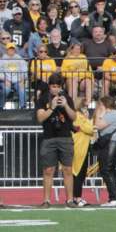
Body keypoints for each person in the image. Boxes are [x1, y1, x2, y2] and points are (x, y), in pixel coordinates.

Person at [35, 74, 77, 208]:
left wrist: (65, 106)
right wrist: (52, 107)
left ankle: (70, 200)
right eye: (53, 86)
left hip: (65, 137)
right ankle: (46, 200)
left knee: (68, 169)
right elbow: (40, 118)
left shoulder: (67, 98)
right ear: (49, 86)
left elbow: (74, 117)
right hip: (49, 138)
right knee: (48, 170)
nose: (55, 89)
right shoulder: (43, 98)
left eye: (58, 87)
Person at [93, 96, 116, 207]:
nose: (98, 106)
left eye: (100, 104)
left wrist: (98, 112)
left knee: (106, 169)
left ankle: (115, 197)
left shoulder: (112, 114)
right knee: (108, 170)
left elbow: (97, 125)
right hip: (113, 144)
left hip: (112, 144)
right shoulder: (110, 114)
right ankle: (114, 197)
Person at [70, 98, 94, 207]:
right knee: (78, 174)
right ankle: (77, 198)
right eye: (85, 107)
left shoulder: (80, 116)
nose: (87, 109)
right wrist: (88, 119)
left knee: (81, 173)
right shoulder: (77, 116)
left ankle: (77, 197)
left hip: (83, 148)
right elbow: (89, 129)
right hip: (78, 148)